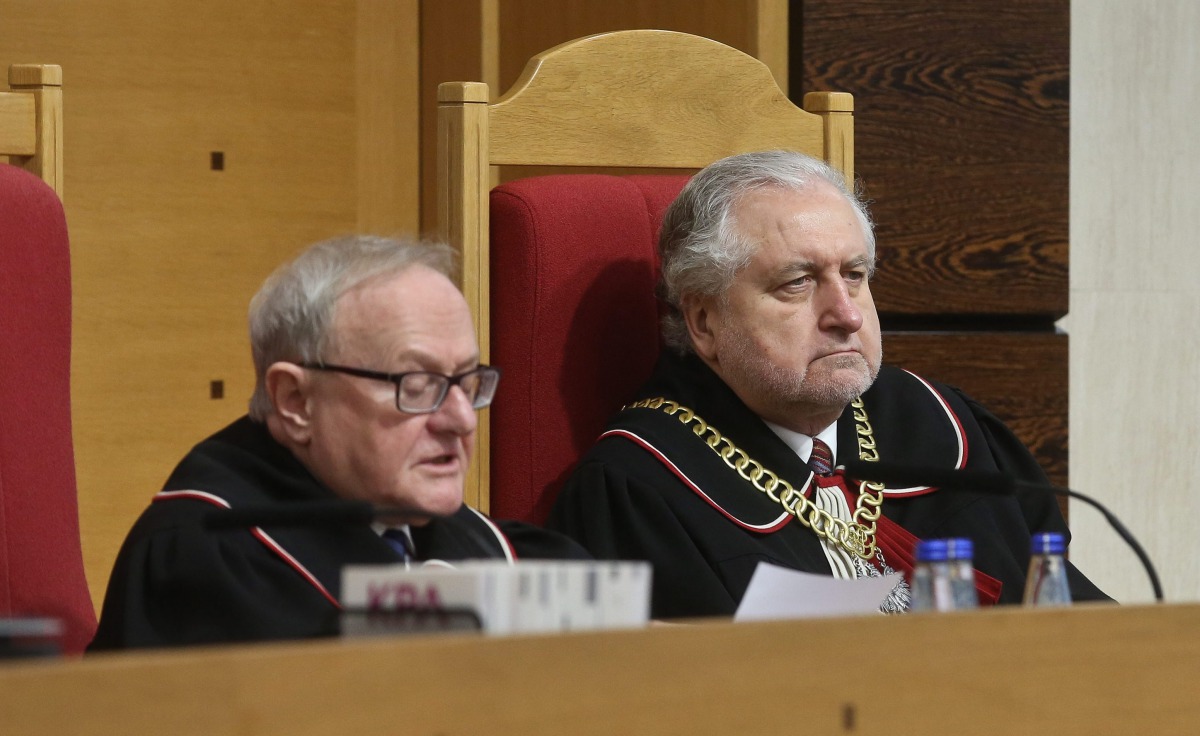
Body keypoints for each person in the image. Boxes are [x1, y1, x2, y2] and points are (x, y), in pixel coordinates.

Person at [547, 150, 1108, 618]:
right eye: (798, 282)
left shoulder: (940, 423)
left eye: (855, 276)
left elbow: (1071, 619)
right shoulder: (641, 488)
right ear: (704, 322)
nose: (847, 314)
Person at [91, 235, 584, 650]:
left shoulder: (414, 514)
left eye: (466, 381)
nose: (461, 419)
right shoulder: (211, 562)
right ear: (296, 400)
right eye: (417, 384)